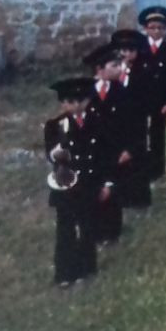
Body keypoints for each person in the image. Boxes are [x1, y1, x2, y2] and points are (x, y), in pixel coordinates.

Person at [42, 77, 108, 287]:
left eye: (77, 101)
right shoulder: (55, 126)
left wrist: (107, 183)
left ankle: (86, 267)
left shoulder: (97, 121)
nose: (72, 106)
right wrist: (56, 153)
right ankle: (64, 272)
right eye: (67, 102)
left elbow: (104, 155)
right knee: (65, 229)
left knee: (88, 226)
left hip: (89, 182)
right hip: (66, 184)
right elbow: (49, 154)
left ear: (87, 101)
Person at [83, 43, 135, 244]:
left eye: (119, 65)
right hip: (94, 150)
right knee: (96, 186)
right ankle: (95, 228)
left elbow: (133, 123)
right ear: (100, 69)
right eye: (114, 65)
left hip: (116, 149)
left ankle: (113, 230)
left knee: (114, 186)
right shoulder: (87, 94)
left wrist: (129, 149)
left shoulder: (122, 92)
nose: (119, 69)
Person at [109, 29, 154, 209]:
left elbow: (146, 96)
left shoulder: (143, 71)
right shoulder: (115, 72)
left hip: (137, 119)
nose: (127, 55)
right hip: (119, 119)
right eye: (123, 51)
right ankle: (122, 195)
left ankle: (140, 197)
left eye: (130, 51)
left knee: (137, 156)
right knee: (120, 157)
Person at [135, 6, 166, 181]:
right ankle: (140, 165)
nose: (156, 31)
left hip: (160, 102)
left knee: (157, 134)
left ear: (165, 29)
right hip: (141, 100)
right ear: (146, 29)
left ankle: (157, 168)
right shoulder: (140, 50)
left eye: (160, 28)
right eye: (152, 28)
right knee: (139, 133)